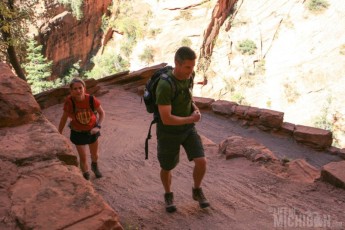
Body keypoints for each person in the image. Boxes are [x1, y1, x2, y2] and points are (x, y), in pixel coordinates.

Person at [155, 46, 210, 213]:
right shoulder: (164, 86)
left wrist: (194, 108)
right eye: (187, 67)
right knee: (167, 167)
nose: (191, 71)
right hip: (168, 133)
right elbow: (166, 118)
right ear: (176, 64)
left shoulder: (189, 76)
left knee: (201, 161)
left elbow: (187, 95)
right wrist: (191, 118)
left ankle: (197, 190)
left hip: (187, 129)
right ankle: (168, 193)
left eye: (193, 67)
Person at [58, 77, 105, 180]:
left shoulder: (91, 99)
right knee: (83, 158)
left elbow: (102, 113)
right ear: (71, 91)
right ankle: (86, 174)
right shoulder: (69, 102)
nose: (78, 91)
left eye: (80, 88)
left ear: (84, 88)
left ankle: (94, 166)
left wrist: (98, 126)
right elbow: (64, 118)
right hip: (78, 132)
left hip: (92, 131)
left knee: (95, 155)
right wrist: (59, 133)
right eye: (75, 89)